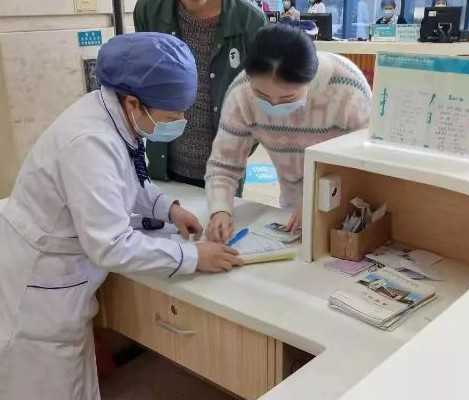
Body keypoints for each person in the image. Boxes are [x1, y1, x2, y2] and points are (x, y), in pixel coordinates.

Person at [0, 33, 243, 400]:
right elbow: (111, 245)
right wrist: (193, 256)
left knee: (76, 381)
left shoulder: (116, 114)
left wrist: (169, 209)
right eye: (171, 116)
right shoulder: (90, 142)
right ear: (133, 102)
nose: (180, 121)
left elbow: (127, 176)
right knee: (50, 386)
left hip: (61, 275)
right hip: (41, 289)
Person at [205, 24, 371, 243]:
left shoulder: (347, 88)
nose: (273, 105)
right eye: (261, 95)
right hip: (291, 207)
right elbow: (224, 164)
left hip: (348, 210)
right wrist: (220, 210)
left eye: (287, 98)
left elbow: (367, 166)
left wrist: (316, 198)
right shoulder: (241, 92)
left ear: (310, 80)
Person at [134, 0, 267, 190]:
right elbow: (142, 81)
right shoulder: (149, 10)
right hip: (162, 169)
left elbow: (265, 97)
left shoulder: (250, 20)